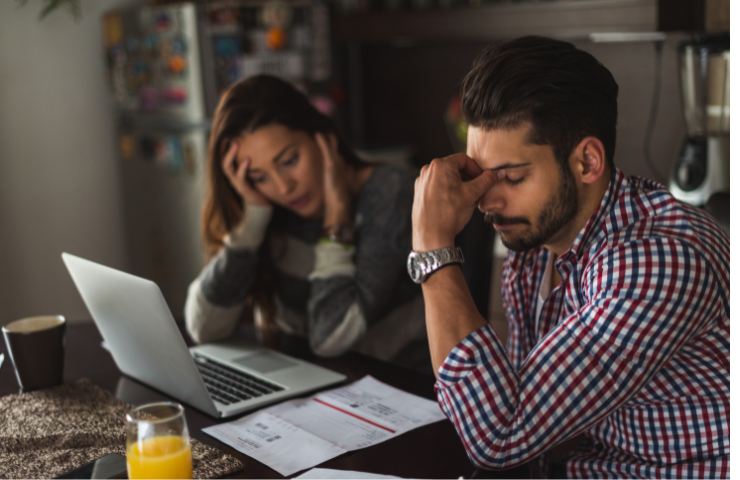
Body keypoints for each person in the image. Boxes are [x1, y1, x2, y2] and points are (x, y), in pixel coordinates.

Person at [409, 36, 728, 478]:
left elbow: (499, 435)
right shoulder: (535, 247)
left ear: (587, 162)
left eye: (512, 177)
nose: (487, 201)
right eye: (482, 177)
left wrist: (433, 250)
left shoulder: (657, 261)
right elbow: (522, 424)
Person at [185, 74, 426, 366]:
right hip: (309, 384)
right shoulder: (271, 208)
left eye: (289, 161)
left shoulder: (390, 193)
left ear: (321, 136)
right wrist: (252, 222)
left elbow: (330, 338)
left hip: (394, 388)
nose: (283, 187)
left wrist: (337, 220)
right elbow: (203, 327)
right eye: (259, 177)